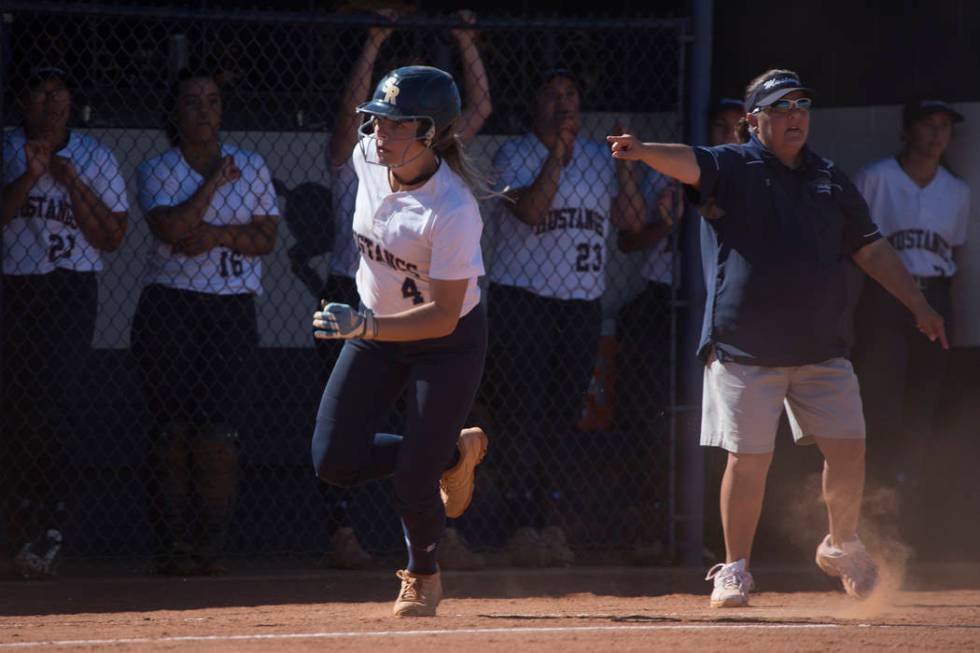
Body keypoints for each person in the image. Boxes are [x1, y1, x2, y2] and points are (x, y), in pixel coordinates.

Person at [607, 69, 948, 608]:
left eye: (801, 107)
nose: (795, 117)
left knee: (850, 449)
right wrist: (643, 149)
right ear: (753, 121)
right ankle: (735, 569)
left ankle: (841, 545)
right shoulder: (731, 164)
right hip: (745, 348)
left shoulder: (830, 178)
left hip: (821, 348)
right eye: (781, 107)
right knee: (749, 460)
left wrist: (920, 305)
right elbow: (688, 160)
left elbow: (873, 250)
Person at [310, 65, 489, 617]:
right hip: (380, 325)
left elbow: (441, 317)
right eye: (377, 121)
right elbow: (350, 142)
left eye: (394, 125)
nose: (377, 133)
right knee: (334, 460)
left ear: (430, 133)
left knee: (414, 477)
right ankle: (452, 451)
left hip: (446, 339)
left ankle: (423, 576)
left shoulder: (453, 209)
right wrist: (370, 327)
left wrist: (365, 328)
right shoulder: (368, 156)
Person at [486, 67, 645, 565]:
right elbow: (530, 211)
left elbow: (633, 223)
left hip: (580, 302)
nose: (563, 104)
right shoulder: (514, 153)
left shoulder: (599, 159)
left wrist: (623, 165)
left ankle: (547, 517)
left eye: (571, 94)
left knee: (561, 416)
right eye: (551, 95)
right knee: (522, 414)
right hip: (522, 299)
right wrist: (557, 154)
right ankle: (517, 525)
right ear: (534, 105)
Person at [132, 67, 280, 575]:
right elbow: (171, 227)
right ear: (175, 113)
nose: (204, 112)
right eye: (193, 102)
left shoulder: (253, 166)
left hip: (230, 307)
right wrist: (214, 184)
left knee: (218, 432)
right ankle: (172, 545)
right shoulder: (158, 168)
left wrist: (217, 234)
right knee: (173, 430)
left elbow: (266, 238)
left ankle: (210, 548)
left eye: (213, 102)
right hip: (171, 305)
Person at [0, 65, 129, 578]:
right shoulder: (7, 148)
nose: (53, 103)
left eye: (62, 93)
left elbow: (112, 236)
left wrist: (69, 181)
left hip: (68, 288)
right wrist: (29, 176)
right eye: (42, 91)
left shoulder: (93, 157)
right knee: (12, 404)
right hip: (12, 284)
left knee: (49, 403)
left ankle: (49, 522)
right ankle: (18, 520)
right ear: (23, 101)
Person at [616, 98, 743, 561]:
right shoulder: (666, 168)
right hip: (661, 300)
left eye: (737, 128)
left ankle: (709, 534)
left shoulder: (749, 178)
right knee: (656, 421)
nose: (728, 135)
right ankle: (651, 530)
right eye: (719, 126)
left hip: (720, 309)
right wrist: (665, 223)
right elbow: (629, 240)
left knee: (720, 427)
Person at [851, 99, 969, 533]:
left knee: (923, 402)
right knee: (880, 399)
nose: (936, 135)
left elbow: (953, 251)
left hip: (935, 295)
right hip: (884, 299)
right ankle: (872, 498)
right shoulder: (876, 177)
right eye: (927, 125)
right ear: (908, 130)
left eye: (944, 127)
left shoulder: (957, 191)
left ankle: (910, 505)